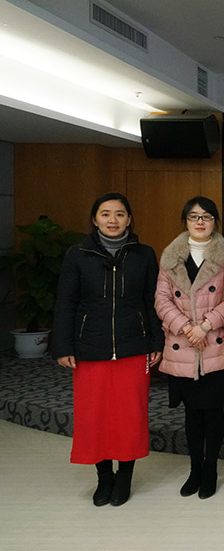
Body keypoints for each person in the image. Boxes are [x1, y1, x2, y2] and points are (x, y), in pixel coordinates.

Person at [52, 192, 164, 507]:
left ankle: (124, 477)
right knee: (95, 417)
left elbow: (152, 301)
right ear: (95, 219)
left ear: (129, 219)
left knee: (129, 417)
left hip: (133, 346)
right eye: (105, 214)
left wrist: (156, 341)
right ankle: (104, 478)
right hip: (89, 348)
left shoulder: (143, 254)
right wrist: (62, 345)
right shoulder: (78, 254)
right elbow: (66, 303)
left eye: (119, 214)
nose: (112, 220)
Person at [155, 196, 224, 499]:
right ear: (186, 221)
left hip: (214, 344)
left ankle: (211, 469)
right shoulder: (170, 256)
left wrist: (205, 326)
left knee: (214, 413)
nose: (200, 222)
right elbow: (161, 300)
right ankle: (195, 470)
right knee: (192, 414)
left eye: (206, 216)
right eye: (194, 216)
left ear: (215, 221)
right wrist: (186, 328)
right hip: (184, 346)